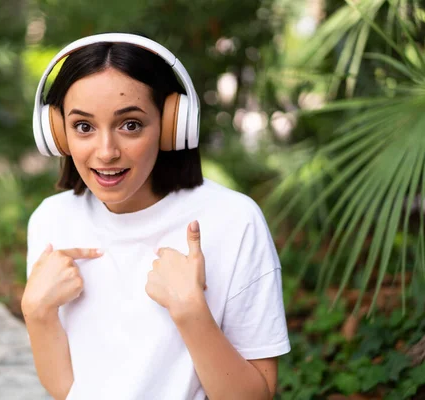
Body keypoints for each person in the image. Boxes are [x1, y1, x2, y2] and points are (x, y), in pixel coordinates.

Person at [21, 33, 291, 400]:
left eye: (130, 125)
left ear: (170, 126)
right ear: (58, 133)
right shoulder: (50, 220)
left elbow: (255, 396)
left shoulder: (233, 221)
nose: (106, 152)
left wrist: (191, 312)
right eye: (84, 127)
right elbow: (68, 390)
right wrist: (37, 313)